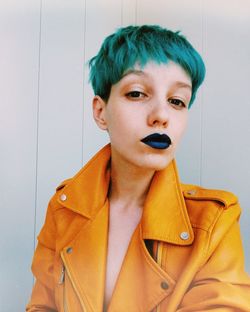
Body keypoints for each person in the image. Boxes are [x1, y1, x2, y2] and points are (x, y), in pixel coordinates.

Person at [26, 25, 250, 311]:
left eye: (176, 101)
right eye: (136, 94)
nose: (161, 116)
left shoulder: (214, 220)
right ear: (100, 111)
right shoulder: (64, 208)